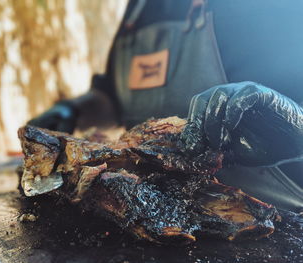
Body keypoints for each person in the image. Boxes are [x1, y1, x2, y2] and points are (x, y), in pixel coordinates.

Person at [28, 0, 303, 211]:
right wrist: (74, 109)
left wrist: (294, 124)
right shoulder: (138, 9)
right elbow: (112, 95)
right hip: (147, 205)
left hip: (267, 216)